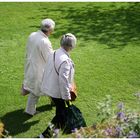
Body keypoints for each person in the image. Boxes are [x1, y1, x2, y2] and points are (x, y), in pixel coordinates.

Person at [38, 33, 86, 138]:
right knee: (61, 116)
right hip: (58, 93)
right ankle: (43, 136)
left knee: (60, 115)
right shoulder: (65, 61)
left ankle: (51, 135)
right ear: (71, 46)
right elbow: (63, 81)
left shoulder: (54, 52)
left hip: (50, 88)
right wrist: (67, 97)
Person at [22, 18, 55, 116]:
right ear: (50, 30)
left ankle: (54, 101)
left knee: (47, 85)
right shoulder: (44, 41)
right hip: (39, 69)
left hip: (31, 65)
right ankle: (30, 110)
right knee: (36, 90)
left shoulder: (32, 35)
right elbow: (49, 57)